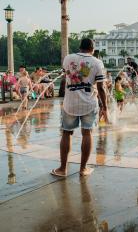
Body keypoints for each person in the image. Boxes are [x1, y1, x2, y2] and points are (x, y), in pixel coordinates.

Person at [51, 38, 108, 177]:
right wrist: (105, 107)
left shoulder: (68, 58)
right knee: (87, 133)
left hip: (70, 103)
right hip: (89, 103)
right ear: (93, 49)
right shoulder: (97, 62)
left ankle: (63, 169)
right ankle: (83, 169)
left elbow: (67, 74)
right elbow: (101, 87)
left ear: (80, 47)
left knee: (66, 133)